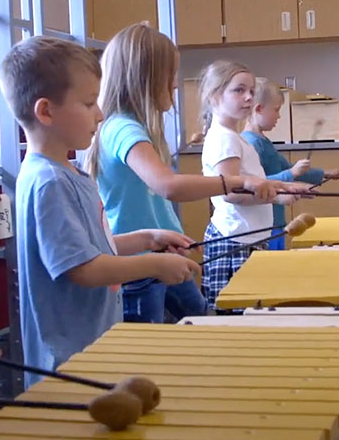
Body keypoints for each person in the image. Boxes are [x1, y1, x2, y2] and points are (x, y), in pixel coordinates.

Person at [0, 35, 200, 386]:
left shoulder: (69, 173)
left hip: (91, 348)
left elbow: (92, 248)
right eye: (90, 102)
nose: (101, 113)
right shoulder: (49, 182)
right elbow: (83, 269)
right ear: (46, 111)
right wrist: (155, 264)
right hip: (66, 363)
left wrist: (146, 238)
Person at [86, 23, 282, 323]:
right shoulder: (122, 128)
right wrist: (239, 181)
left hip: (163, 255)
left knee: (203, 321)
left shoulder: (138, 128)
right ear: (147, 78)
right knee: (152, 349)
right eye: (170, 75)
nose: (176, 84)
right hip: (140, 267)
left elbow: (155, 199)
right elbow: (168, 187)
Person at [199, 61, 305, 311]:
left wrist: (284, 187)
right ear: (214, 95)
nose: (248, 97)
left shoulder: (232, 137)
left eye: (250, 90)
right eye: (238, 90)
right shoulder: (224, 139)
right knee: (236, 319)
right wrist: (276, 197)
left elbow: (251, 182)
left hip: (245, 238)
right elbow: (232, 193)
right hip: (235, 241)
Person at [242, 78, 339, 250]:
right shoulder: (251, 144)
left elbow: (289, 169)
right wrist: (291, 175)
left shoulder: (264, 141)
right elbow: (255, 183)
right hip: (263, 226)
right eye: (277, 110)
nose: (279, 116)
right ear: (259, 109)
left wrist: (327, 173)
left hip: (276, 222)